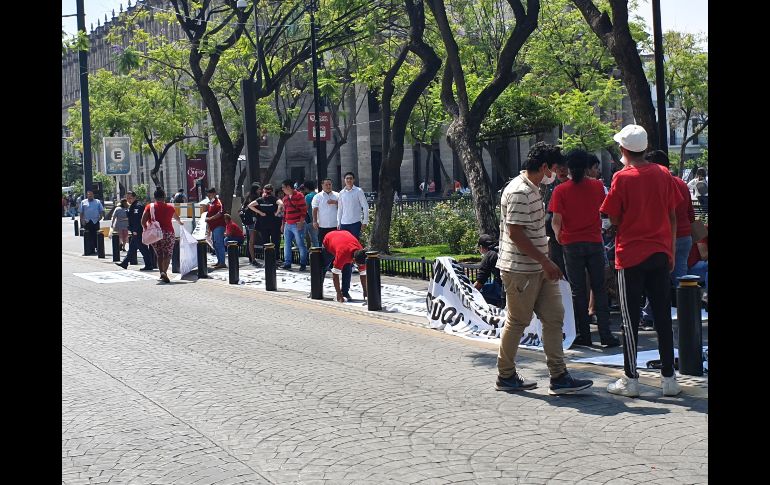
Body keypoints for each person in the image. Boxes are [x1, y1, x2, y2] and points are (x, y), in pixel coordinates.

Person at [494, 141, 594, 395]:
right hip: (521, 269)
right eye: (555, 169)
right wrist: (545, 261)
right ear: (544, 167)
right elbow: (516, 233)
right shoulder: (519, 191)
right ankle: (505, 375)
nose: (556, 175)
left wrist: (544, 263)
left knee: (553, 317)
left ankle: (558, 375)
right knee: (518, 321)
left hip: (538, 268)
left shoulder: (532, 188)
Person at [601, 124, 683, 397]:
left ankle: (631, 379)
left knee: (629, 318)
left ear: (623, 150)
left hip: (631, 255)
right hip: (660, 253)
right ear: (646, 148)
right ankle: (669, 379)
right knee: (662, 316)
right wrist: (670, 251)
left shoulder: (621, 178)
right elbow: (672, 215)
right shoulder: (662, 173)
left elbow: (612, 216)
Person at [549, 149, 620, 348]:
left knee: (578, 291)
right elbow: (605, 212)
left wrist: (559, 237)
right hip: (594, 242)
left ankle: (584, 334)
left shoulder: (560, 190)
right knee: (599, 288)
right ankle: (606, 335)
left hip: (571, 244)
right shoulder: (597, 186)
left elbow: (556, 221)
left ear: (569, 167)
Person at [141, 188, 183, 283]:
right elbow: (177, 218)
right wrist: (181, 222)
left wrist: (146, 228)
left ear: (154, 197)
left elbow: (142, 221)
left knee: (159, 254)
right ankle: (164, 272)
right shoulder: (170, 207)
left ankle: (161, 273)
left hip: (155, 234)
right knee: (167, 254)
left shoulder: (149, 207)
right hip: (168, 233)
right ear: (164, 197)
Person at [322, 230, 368, 302]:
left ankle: (345, 292)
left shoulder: (361, 254)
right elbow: (335, 275)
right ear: (353, 260)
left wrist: (365, 291)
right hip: (329, 239)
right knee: (323, 266)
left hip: (344, 236)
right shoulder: (342, 255)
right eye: (358, 265)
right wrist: (338, 294)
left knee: (347, 268)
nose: (359, 267)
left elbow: (363, 274)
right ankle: (316, 289)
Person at [116, 191, 156, 270]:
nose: (128, 200)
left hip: (138, 231)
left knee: (143, 248)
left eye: (130, 198)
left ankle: (149, 265)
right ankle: (125, 263)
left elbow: (137, 220)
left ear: (134, 197)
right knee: (132, 248)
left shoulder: (137, 206)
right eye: (127, 198)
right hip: (136, 230)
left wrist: (135, 230)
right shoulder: (133, 206)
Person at [280, 179, 308, 271]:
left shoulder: (299, 196)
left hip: (297, 224)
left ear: (288, 187)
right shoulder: (285, 198)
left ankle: (303, 263)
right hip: (288, 224)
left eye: (283, 187)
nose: (282, 189)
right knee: (287, 244)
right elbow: (284, 213)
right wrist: (283, 224)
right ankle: (287, 263)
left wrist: (301, 222)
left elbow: (303, 210)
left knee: (300, 244)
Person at [250, 184, 283, 258]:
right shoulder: (271, 199)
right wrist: (277, 212)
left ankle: (271, 258)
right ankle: (273, 258)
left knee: (269, 242)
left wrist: (260, 212)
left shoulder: (263, 199)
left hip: (266, 223)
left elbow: (250, 205)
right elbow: (281, 204)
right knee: (273, 242)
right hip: (271, 223)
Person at [337, 172, 369, 239]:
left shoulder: (359, 191)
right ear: (344, 180)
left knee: (355, 243)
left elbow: (365, 206)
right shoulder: (341, 193)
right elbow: (340, 209)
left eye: (350, 178)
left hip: (355, 223)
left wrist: (365, 221)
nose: (349, 180)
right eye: (347, 178)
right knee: (345, 243)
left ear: (353, 180)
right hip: (344, 223)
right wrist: (338, 222)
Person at [474, 234, 502, 308]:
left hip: (502, 290)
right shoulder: (501, 250)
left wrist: (469, 294)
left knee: (479, 293)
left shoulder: (490, 255)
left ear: (481, 247)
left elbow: (480, 281)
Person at [205, 187, 227, 269]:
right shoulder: (211, 203)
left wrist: (210, 219)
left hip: (219, 226)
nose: (209, 196)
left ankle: (222, 262)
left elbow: (220, 213)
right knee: (215, 244)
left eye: (210, 194)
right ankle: (219, 261)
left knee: (219, 243)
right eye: (208, 195)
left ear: (214, 193)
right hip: (213, 227)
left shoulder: (218, 202)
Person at [312, 178, 339, 244]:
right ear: (322, 185)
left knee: (335, 243)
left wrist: (336, 202)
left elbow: (343, 207)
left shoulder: (337, 195)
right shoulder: (317, 196)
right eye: (326, 185)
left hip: (335, 225)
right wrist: (315, 221)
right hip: (322, 225)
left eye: (330, 184)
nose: (328, 186)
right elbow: (314, 209)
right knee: (323, 244)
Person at [79, 189, 105, 255]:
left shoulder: (97, 202)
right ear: (87, 195)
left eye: (91, 194)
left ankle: (97, 248)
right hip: (87, 221)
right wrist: (82, 220)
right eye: (88, 195)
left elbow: (101, 210)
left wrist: (101, 216)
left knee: (96, 235)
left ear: (93, 195)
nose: (90, 196)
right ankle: (89, 249)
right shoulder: (83, 202)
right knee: (88, 235)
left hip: (95, 221)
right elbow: (81, 212)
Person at [241, 183, 261, 265]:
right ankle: (253, 259)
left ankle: (251, 257)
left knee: (250, 240)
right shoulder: (256, 199)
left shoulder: (248, 198)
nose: (260, 190)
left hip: (248, 221)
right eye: (259, 189)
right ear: (256, 190)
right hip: (253, 221)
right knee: (252, 240)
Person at [302, 180, 320, 248]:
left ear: (306, 188)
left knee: (314, 239)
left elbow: (305, 208)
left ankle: (316, 255)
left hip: (312, 220)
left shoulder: (308, 196)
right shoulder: (318, 194)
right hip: (321, 219)